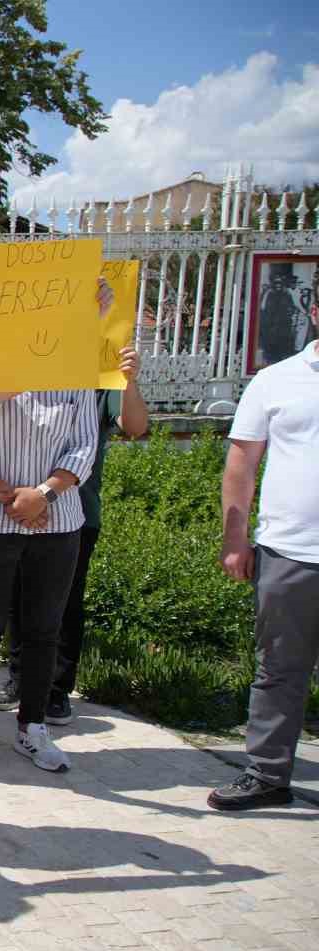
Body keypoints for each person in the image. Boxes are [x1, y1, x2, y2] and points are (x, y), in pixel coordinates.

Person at [0, 345, 149, 725]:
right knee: (14, 602)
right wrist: (18, 499)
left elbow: (135, 427)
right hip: (7, 507)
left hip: (71, 510)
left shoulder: (100, 369)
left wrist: (129, 380)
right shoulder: (15, 363)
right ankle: (19, 679)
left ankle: (55, 691)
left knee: (63, 605)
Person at [0, 385, 100, 773]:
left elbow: (84, 447)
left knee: (43, 630)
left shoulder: (76, 379)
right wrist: (10, 496)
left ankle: (32, 727)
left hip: (58, 521)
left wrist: (42, 495)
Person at [210, 297, 319, 810]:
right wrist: (235, 539)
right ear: (316, 310)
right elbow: (242, 463)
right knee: (278, 668)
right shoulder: (276, 380)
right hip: (290, 552)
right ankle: (268, 774)